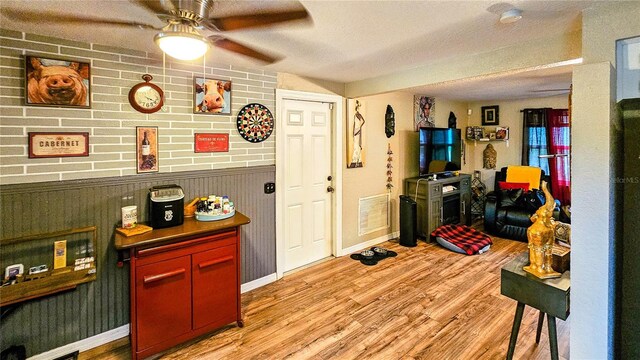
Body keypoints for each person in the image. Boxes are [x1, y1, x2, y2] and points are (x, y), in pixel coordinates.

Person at [349, 100, 365, 168]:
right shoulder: (355, 115)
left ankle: (358, 160)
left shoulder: (359, 115)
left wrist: (359, 129)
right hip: (355, 132)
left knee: (357, 146)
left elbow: (363, 121)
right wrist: (353, 132)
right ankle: (355, 160)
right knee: (355, 146)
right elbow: (354, 124)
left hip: (357, 132)